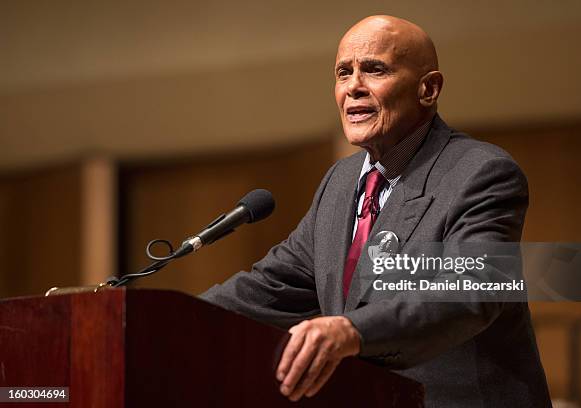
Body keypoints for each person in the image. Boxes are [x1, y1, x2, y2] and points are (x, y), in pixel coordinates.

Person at [201, 15, 552, 407]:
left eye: (374, 70)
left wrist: (352, 330)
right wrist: (174, 316)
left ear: (428, 89)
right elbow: (274, 285)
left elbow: (470, 291)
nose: (353, 87)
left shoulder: (481, 172)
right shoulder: (340, 182)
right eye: (343, 73)